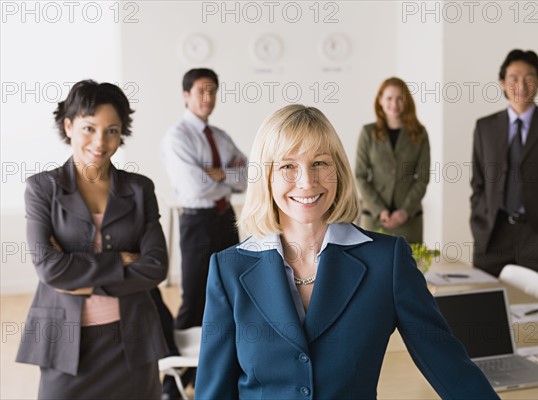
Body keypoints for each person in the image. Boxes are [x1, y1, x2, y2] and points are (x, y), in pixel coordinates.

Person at [194, 104, 498, 399]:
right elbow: (214, 391)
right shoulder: (228, 269)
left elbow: (449, 366)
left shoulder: (387, 261)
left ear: (337, 170)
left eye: (320, 163)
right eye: (288, 165)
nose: (307, 181)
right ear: (266, 176)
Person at [16, 80, 169, 399]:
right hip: (65, 342)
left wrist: (80, 279)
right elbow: (50, 270)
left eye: (112, 130)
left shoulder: (140, 189)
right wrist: (121, 261)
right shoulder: (43, 189)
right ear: (69, 125)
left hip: (132, 341)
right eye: (89, 128)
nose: (100, 141)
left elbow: (156, 266)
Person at [470, 49, 538, 308]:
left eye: (529, 77)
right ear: (502, 83)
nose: (520, 85)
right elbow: (478, 184)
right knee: (486, 313)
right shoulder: (484, 127)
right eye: (513, 78)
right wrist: (479, 223)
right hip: (493, 235)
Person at [160, 68, 247, 398]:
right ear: (186, 95)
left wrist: (219, 174)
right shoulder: (177, 137)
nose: (208, 98)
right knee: (194, 299)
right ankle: (173, 382)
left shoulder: (220, 136)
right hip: (197, 224)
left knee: (233, 294)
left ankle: (219, 375)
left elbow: (246, 175)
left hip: (227, 221)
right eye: (201, 91)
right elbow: (194, 185)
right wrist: (226, 178)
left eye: (212, 91)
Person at [355, 77, 430, 243]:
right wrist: (379, 209)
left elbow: (423, 178)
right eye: (389, 98)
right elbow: (360, 175)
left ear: (407, 101)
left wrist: (405, 211)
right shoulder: (368, 133)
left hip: (409, 220)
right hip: (375, 219)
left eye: (399, 98)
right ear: (380, 100)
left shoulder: (419, 133)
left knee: (408, 266)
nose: (394, 104)